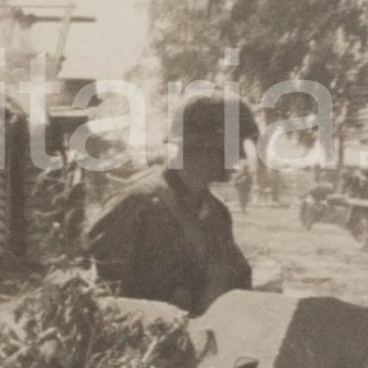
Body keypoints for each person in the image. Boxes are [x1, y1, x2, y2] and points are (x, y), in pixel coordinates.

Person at [84, 91, 256, 314]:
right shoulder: (135, 207)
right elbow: (100, 301)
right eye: (236, 144)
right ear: (204, 144)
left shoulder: (216, 213)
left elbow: (238, 286)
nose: (242, 155)